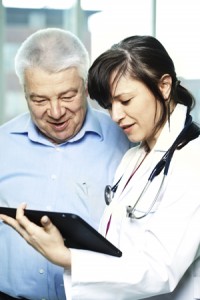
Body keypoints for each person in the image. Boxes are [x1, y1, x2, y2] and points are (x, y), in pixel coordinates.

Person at [1, 35, 200, 300]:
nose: (116, 116)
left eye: (125, 101)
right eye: (109, 105)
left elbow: (159, 270)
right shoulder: (136, 155)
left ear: (164, 86)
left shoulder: (192, 159)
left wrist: (66, 256)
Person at [0, 28, 130, 300]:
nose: (56, 112)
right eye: (39, 100)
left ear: (85, 87)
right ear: (24, 93)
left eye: (67, 96)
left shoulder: (126, 140)